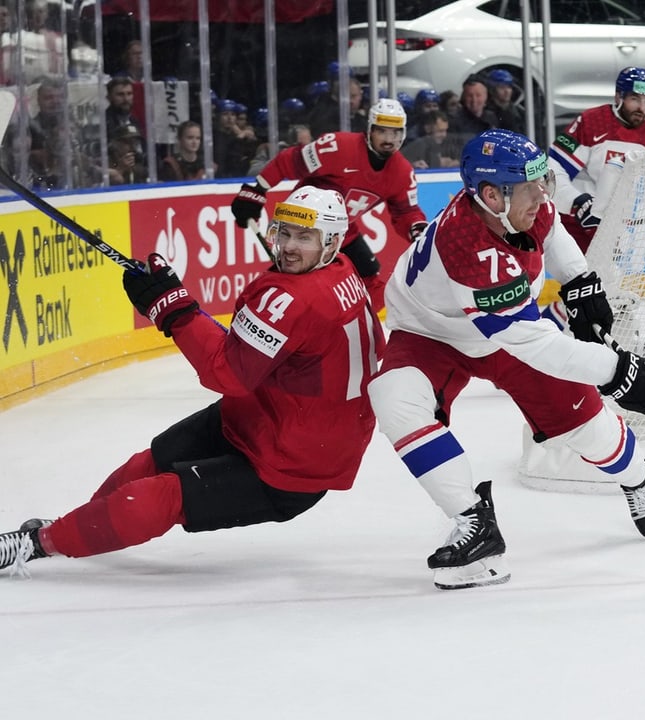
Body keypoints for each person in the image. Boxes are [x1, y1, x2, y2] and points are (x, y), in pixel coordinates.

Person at [0, 187, 382, 574]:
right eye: (284, 233)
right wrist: (177, 305)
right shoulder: (341, 270)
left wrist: (174, 310)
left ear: (331, 242)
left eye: (304, 237)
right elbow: (250, 352)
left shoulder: (295, 298)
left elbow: (227, 372)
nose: (288, 247)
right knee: (150, 461)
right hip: (268, 418)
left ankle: (37, 544)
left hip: (292, 466)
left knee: (160, 496)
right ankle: (74, 526)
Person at [366, 129, 645, 590]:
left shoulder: (517, 199)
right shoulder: (468, 245)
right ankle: (475, 523)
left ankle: (636, 477)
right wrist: (615, 371)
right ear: (490, 195)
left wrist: (578, 279)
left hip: (505, 328)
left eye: (541, 181)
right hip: (432, 334)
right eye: (530, 187)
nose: (542, 194)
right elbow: (530, 343)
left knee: (591, 433)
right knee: (393, 397)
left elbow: (550, 225)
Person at [230, 97, 427, 312]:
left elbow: (406, 211)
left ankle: (349, 325)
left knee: (370, 282)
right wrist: (257, 189)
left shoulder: (402, 172)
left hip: (342, 230)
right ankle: (262, 315)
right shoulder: (338, 147)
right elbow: (290, 161)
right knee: (295, 279)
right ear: (370, 129)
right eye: (382, 131)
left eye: (396, 133)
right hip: (305, 225)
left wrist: (416, 229)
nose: (389, 139)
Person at [547, 67, 645, 254]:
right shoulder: (592, 121)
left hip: (614, 223)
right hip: (574, 221)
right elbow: (553, 170)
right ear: (618, 97)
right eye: (635, 99)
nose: (641, 108)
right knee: (577, 275)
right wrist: (577, 201)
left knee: (607, 279)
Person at [448, 74, 497, 144]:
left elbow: (489, 147)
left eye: (478, 95)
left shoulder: (491, 117)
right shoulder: (454, 121)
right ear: (463, 97)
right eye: (469, 96)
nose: (474, 100)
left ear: (486, 97)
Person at [104, 76, 144, 151]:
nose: (126, 99)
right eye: (120, 94)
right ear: (109, 97)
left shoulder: (134, 121)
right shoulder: (103, 123)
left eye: (129, 94)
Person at [486, 69, 522, 133]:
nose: (507, 91)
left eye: (509, 87)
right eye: (502, 87)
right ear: (492, 90)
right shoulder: (486, 113)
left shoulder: (518, 112)